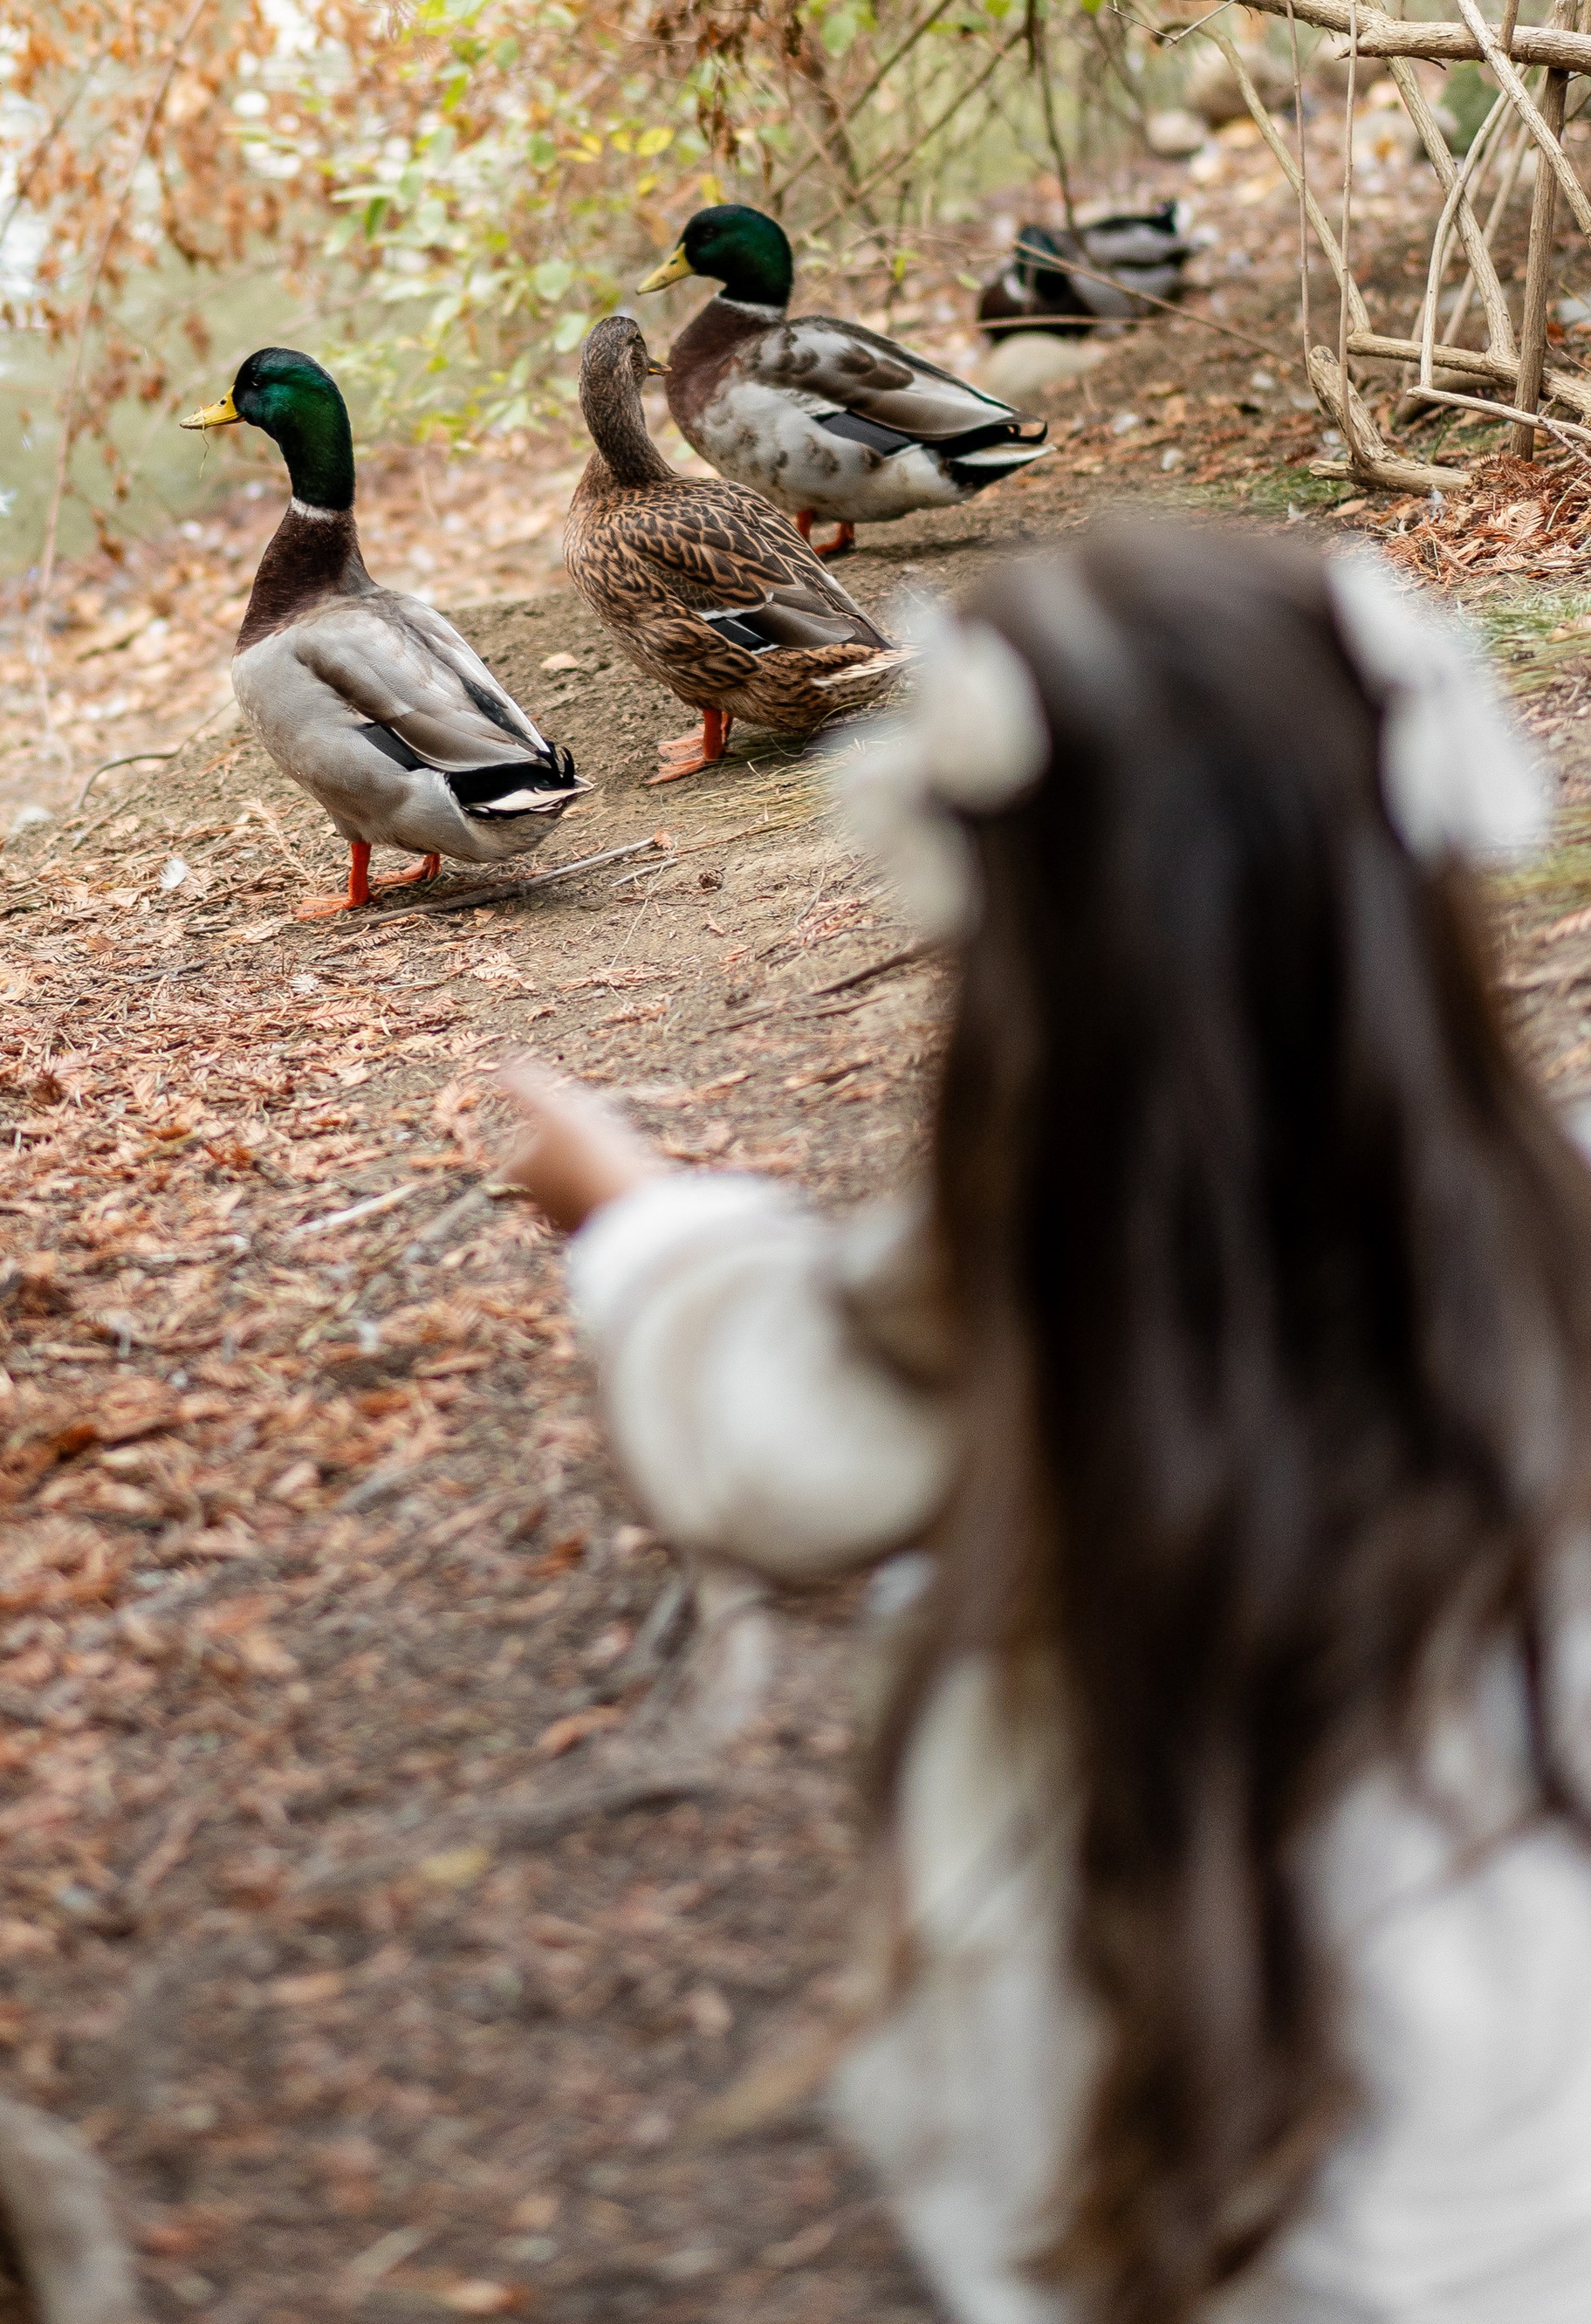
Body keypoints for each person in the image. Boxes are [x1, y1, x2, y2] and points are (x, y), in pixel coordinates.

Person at [505, 523, 1591, 2324]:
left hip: (1156, 2165)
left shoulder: (1023, 1305)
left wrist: (631, 1214)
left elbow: (766, 1433)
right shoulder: (1547, 1249)